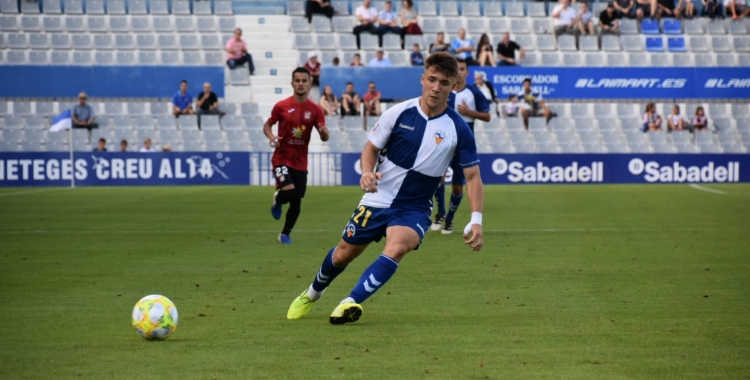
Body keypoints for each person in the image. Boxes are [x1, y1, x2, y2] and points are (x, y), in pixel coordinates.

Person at [285, 52, 484, 325]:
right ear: (423, 78)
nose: (437, 87)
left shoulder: (459, 128)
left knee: (398, 246)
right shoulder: (398, 112)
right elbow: (370, 149)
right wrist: (367, 172)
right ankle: (313, 293)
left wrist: (476, 219)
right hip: (378, 198)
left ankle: (350, 302)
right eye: (433, 80)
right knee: (345, 252)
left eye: (445, 83)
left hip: (414, 207)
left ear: (453, 86)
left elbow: (473, 177)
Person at [265, 67, 330, 244]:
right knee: (290, 192)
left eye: (304, 81)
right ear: (292, 83)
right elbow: (268, 124)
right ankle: (277, 199)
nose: (301, 84)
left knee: (296, 202)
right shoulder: (281, 106)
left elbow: (324, 134)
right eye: (298, 81)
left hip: (301, 163)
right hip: (282, 158)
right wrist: (272, 137)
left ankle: (285, 234)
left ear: (310, 84)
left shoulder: (316, 110)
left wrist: (324, 133)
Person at [432, 59, 490, 234]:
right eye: (456, 69)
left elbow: (487, 116)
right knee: (437, 179)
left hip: (462, 145)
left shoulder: (474, 93)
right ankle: (440, 212)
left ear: (467, 73)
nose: (458, 72)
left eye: (462, 69)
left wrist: (469, 112)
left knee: (457, 186)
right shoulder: (443, 91)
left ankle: (449, 217)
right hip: (441, 142)